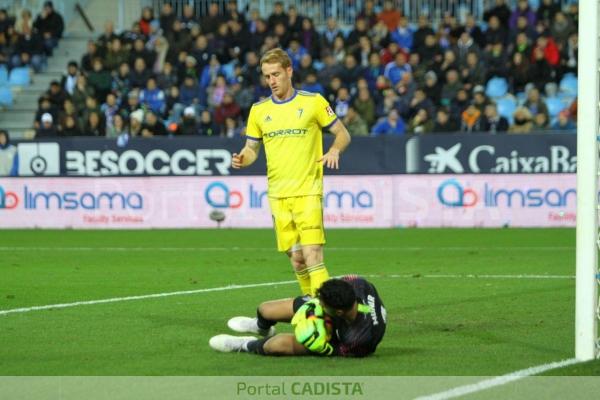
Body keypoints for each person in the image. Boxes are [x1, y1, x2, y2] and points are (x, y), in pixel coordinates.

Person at [232, 48, 351, 297]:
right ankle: (313, 305)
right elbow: (252, 148)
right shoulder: (259, 110)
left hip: (307, 192)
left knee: (313, 255)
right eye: (267, 76)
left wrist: (334, 151)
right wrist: (244, 158)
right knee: (297, 260)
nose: (271, 81)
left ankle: (326, 316)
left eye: (276, 74)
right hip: (277, 196)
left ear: (289, 71)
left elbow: (343, 133)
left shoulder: (313, 102)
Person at [210, 275, 386, 357]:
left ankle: (244, 344)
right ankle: (261, 327)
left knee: (276, 345)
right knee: (265, 309)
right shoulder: (356, 283)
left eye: (322, 304)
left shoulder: (360, 338)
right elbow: (330, 291)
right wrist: (315, 307)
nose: (319, 303)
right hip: (339, 311)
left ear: (338, 312)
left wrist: (321, 345)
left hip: (338, 338)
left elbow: (337, 351)